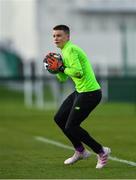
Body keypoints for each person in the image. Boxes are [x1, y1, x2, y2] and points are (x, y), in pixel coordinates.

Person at [51, 25, 111, 169]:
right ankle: (80, 151)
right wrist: (55, 70)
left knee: (71, 126)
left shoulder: (71, 50)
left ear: (67, 37)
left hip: (90, 93)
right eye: (54, 36)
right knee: (59, 118)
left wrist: (61, 68)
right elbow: (63, 78)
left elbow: (78, 73)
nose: (55, 38)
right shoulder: (64, 52)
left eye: (59, 35)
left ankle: (101, 151)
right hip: (80, 91)